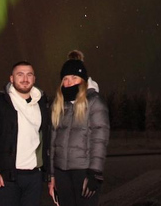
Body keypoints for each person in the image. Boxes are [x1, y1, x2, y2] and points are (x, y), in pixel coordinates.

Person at [0, 61, 51, 206]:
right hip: (6, 177)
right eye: (20, 74)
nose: (25, 79)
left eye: (29, 74)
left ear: (34, 79)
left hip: (34, 177)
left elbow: (46, 137)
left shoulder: (41, 103)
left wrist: (48, 172)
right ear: (11, 78)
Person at [48, 50, 110, 205]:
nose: (69, 83)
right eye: (66, 79)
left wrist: (95, 173)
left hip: (84, 172)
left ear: (83, 80)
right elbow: (53, 141)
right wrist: (52, 176)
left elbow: (100, 139)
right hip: (61, 172)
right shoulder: (59, 105)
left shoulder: (94, 102)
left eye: (74, 78)